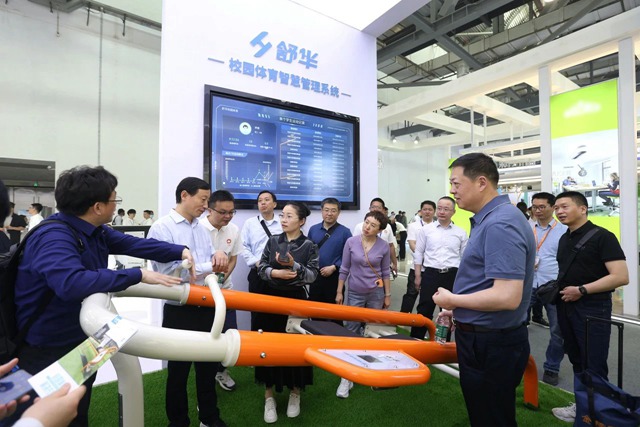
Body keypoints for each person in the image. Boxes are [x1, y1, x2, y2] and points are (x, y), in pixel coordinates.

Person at [10, 166, 191, 426]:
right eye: (114, 199)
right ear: (97, 207)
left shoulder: (96, 230)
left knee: (76, 410)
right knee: (49, 416)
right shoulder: (54, 236)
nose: (116, 205)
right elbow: (71, 283)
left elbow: (135, 244)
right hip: (48, 349)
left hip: (80, 339)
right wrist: (138, 274)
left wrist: (180, 250)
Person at [432, 153, 535, 427]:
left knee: (491, 417)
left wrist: (453, 300)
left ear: (480, 182)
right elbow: (486, 283)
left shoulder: (500, 223)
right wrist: (459, 308)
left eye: (456, 183)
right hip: (488, 339)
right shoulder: (492, 219)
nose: (452, 191)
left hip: (491, 344)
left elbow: (507, 296)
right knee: (487, 413)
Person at [148, 177, 226, 427]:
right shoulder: (162, 228)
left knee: (208, 368)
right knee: (178, 372)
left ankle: (209, 418)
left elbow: (203, 265)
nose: (206, 205)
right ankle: (178, 421)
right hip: (179, 309)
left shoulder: (201, 229)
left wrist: (215, 257)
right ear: (184, 195)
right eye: (203, 199)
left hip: (207, 304)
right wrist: (210, 265)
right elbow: (170, 273)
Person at [551, 191, 628, 423]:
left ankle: (598, 414)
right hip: (566, 306)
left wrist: (582, 290)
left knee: (594, 362)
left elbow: (620, 276)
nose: (559, 211)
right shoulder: (564, 238)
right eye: (557, 208)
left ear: (583, 209)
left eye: (564, 206)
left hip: (593, 309)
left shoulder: (603, 237)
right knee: (577, 358)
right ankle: (583, 406)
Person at [256, 202, 318, 424]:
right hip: (271, 299)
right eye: (282, 215)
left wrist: (295, 266)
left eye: (289, 216)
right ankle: (269, 396)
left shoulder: (309, 245)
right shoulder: (273, 240)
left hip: (296, 301)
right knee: (268, 346)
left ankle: (295, 393)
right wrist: (275, 273)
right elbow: (260, 267)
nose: (283, 219)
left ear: (301, 221)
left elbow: (313, 276)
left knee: (295, 348)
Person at [335, 211, 391, 399]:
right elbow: (344, 268)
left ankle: (370, 369)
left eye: (373, 225)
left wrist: (387, 295)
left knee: (372, 331)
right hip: (355, 292)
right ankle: (346, 376)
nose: (367, 227)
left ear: (380, 230)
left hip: (376, 293)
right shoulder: (351, 242)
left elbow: (385, 272)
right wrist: (339, 291)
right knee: (351, 330)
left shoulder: (383, 246)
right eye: (366, 222)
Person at [201, 190, 243, 392]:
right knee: (205, 337)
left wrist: (222, 279)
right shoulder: (198, 228)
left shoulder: (233, 229)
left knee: (228, 334)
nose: (228, 216)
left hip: (226, 292)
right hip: (201, 294)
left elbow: (233, 258)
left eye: (231, 212)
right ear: (210, 209)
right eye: (223, 212)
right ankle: (204, 375)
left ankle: (221, 371)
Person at [410, 196, 467, 339]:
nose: (442, 212)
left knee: (446, 313)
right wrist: (418, 275)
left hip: (451, 275)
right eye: (439, 208)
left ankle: (442, 343)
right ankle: (416, 341)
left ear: (453, 212)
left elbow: (465, 258)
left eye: (446, 209)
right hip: (430, 274)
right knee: (424, 309)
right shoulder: (426, 230)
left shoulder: (460, 232)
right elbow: (419, 253)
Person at [528, 192, 568, 386]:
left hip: (552, 286)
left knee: (558, 330)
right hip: (528, 284)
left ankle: (552, 368)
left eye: (542, 207)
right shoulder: (527, 228)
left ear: (552, 207)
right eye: (534, 207)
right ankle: (518, 362)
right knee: (514, 325)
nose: (537, 210)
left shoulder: (564, 231)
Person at [240, 190, 282, 330]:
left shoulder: (283, 222)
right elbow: (243, 247)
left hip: (279, 275)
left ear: (274, 204)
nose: (263, 203)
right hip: (258, 274)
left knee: (278, 314)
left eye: (267, 200)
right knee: (258, 314)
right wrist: (256, 262)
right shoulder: (250, 223)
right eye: (260, 201)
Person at [307, 197, 352, 308]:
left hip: (335, 278)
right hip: (315, 277)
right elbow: (309, 252)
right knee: (314, 310)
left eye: (333, 210)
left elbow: (349, 256)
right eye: (326, 210)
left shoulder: (345, 232)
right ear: (321, 211)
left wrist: (334, 267)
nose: (329, 213)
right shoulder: (313, 229)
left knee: (333, 311)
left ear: (339, 212)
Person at [400, 200, 435, 313]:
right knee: (411, 294)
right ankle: (403, 319)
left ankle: (423, 320)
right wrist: (426, 257)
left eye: (430, 210)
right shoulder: (413, 226)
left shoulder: (437, 226)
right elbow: (412, 244)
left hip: (432, 268)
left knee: (428, 297)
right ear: (421, 211)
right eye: (425, 209)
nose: (427, 212)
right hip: (416, 267)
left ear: (434, 211)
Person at [352, 198, 398, 276]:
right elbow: (354, 246)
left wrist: (395, 263)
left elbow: (391, 246)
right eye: (373, 207)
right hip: (364, 265)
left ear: (383, 210)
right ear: (369, 208)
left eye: (378, 207)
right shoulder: (360, 226)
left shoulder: (387, 227)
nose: (375, 209)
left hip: (383, 264)